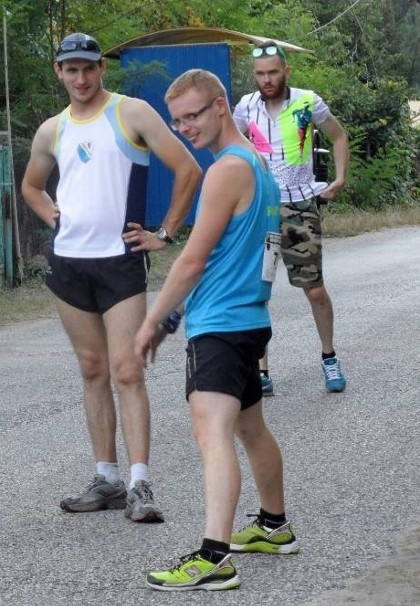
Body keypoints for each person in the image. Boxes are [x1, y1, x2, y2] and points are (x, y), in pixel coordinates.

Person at [21, 32, 201, 523]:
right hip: (70, 265)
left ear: (101, 68)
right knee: (92, 369)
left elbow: (187, 170)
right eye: (70, 70)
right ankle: (107, 479)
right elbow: (32, 187)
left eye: (88, 68)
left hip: (120, 261)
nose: (80, 78)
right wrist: (56, 219)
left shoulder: (132, 113)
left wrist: (165, 231)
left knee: (127, 369)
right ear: (59, 72)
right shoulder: (51, 130)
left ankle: (141, 483)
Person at [133, 69, 297, 592]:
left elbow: (192, 259)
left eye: (194, 115)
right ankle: (273, 526)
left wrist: (153, 319)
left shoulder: (226, 170)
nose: (186, 128)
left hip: (223, 328)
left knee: (212, 434)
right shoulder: (257, 166)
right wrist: (177, 317)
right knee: (250, 429)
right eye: (177, 121)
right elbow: (228, 259)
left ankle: (214, 558)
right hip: (247, 320)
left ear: (221, 106)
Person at [233, 41, 349, 395]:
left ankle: (329, 357)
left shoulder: (306, 101)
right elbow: (231, 141)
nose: (266, 80)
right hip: (261, 210)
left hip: (300, 206)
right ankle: (261, 371)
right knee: (257, 291)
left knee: (313, 289)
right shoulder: (245, 107)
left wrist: (340, 178)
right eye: (260, 74)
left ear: (286, 72)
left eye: (272, 72)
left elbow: (338, 135)